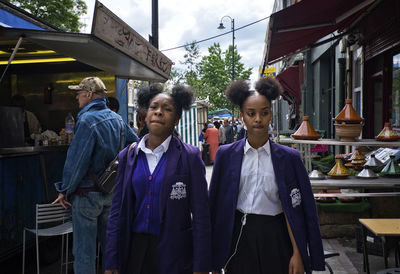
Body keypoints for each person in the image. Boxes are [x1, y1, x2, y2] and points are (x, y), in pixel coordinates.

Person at [209, 78, 325, 274]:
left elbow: (300, 209)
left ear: (271, 114)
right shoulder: (226, 155)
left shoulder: (290, 158)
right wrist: (213, 256)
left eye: (264, 113)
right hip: (239, 237)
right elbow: (214, 206)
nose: (258, 119)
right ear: (242, 116)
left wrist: (298, 253)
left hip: (277, 237)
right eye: (251, 113)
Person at [105, 84, 211, 274]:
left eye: (167, 109)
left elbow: (201, 216)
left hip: (174, 253)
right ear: (145, 116)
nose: (158, 113)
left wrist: (201, 264)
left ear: (177, 119)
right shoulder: (127, 156)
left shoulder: (190, 157)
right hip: (134, 252)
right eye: (154, 107)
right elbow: (116, 212)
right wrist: (112, 259)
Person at [52, 76, 138, 274]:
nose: (77, 98)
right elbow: (136, 145)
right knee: (110, 249)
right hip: (110, 192)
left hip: (86, 195)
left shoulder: (86, 120)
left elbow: (77, 161)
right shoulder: (117, 118)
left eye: (79, 93)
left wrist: (64, 190)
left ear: (88, 94)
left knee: (85, 252)